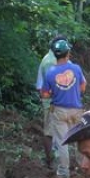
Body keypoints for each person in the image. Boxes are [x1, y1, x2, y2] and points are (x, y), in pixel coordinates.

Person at [41, 39, 86, 178]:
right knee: (78, 139)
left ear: (55, 55)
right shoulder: (76, 68)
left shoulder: (50, 72)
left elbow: (45, 94)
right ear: (68, 54)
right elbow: (83, 86)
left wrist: (55, 92)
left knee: (62, 141)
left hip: (59, 110)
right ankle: (82, 168)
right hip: (76, 109)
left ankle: (64, 172)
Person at [35, 36, 67, 168]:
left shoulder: (52, 60)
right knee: (49, 132)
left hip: (54, 102)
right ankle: (51, 161)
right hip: (52, 103)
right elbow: (51, 86)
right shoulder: (50, 62)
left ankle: (56, 161)